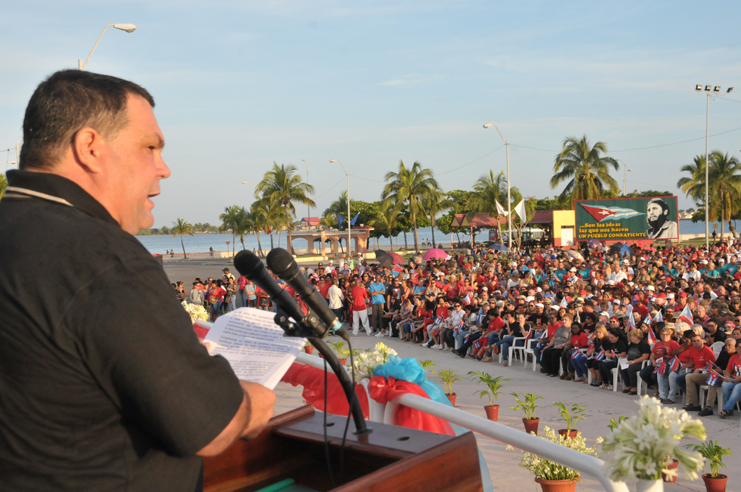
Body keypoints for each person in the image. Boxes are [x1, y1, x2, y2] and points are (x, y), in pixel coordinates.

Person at [0, 70, 275, 490]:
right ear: (90, 147)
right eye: (150, 147)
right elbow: (210, 425)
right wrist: (254, 403)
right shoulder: (100, 256)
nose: (163, 169)